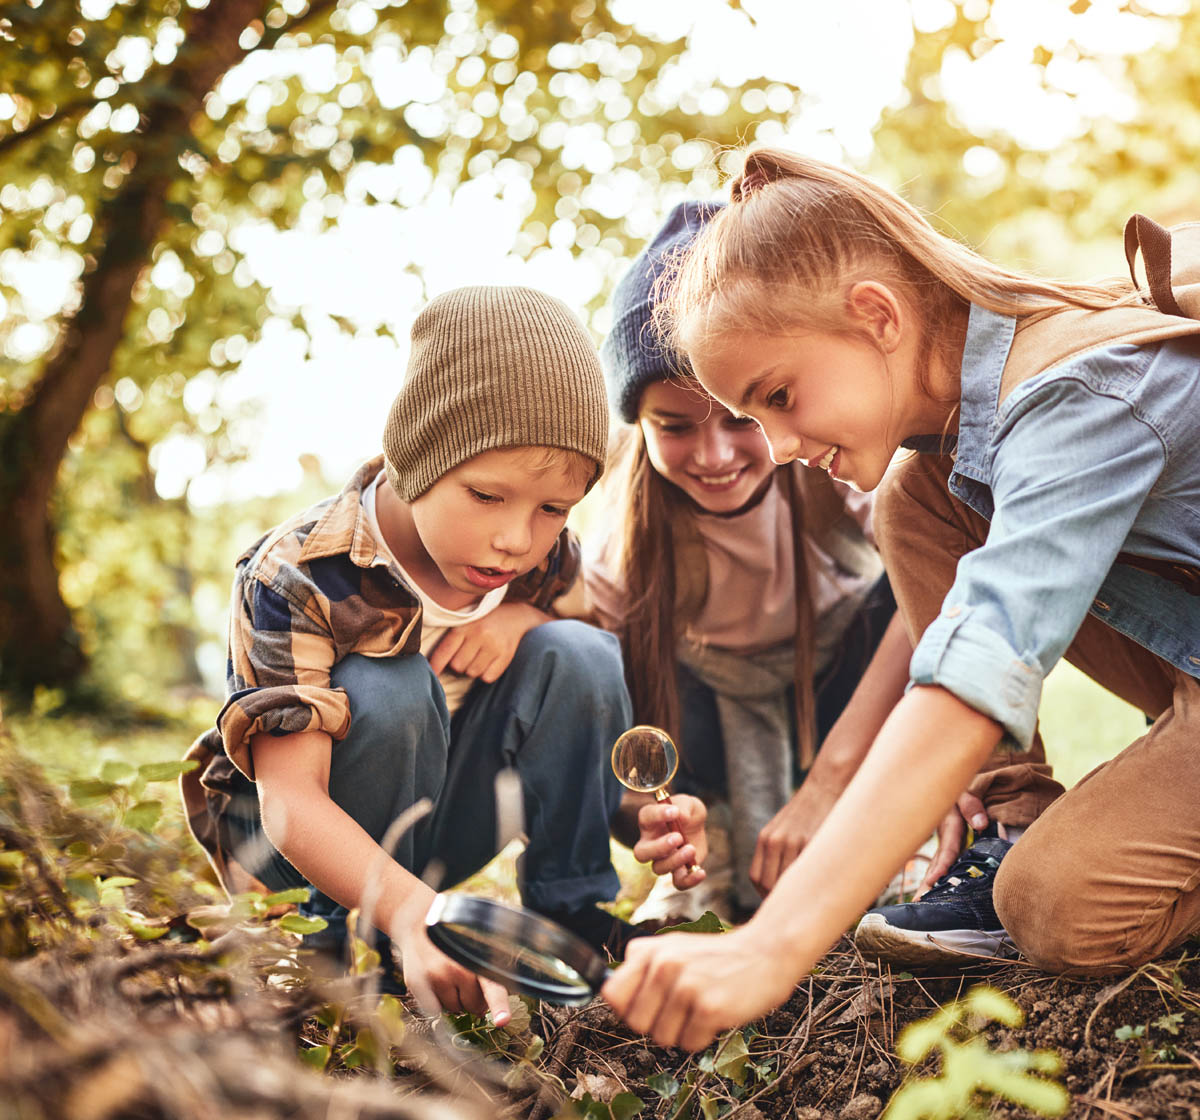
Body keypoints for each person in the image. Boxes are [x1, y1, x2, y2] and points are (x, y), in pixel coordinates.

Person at [601, 148, 1200, 1051]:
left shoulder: (1077, 394)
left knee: (1059, 906)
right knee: (918, 497)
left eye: (778, 397)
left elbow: (982, 659)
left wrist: (771, 945)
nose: (783, 444)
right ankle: (1014, 817)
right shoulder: (952, 446)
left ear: (875, 314)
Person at [179, 285, 685, 1026]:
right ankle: (336, 947)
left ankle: (575, 918)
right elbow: (290, 804)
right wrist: (415, 912)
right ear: (418, 458)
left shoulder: (536, 563)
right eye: (486, 495)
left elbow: (582, 672)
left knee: (580, 651)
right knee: (391, 686)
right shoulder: (299, 575)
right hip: (296, 851)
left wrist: (520, 618)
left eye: (553, 509)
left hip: (431, 829)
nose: (517, 538)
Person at [579, 200, 907, 919]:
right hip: (706, 727)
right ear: (640, 427)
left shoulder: (836, 470)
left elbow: (935, 612)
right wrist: (650, 812)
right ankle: (708, 844)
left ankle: (890, 827)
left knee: (907, 594)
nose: (716, 455)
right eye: (675, 428)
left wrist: (829, 781)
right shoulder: (618, 549)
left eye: (740, 420)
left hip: (835, 697)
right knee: (594, 656)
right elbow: (603, 706)